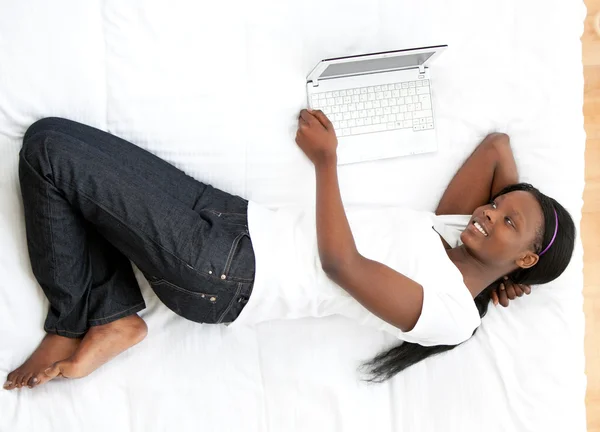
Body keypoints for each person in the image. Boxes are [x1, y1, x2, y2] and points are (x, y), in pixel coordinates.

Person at [4, 110, 575, 390]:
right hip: (232, 217)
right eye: (497, 206)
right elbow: (497, 147)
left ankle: (76, 317)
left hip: (223, 274)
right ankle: (111, 315)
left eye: (505, 222)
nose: (486, 212)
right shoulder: (453, 233)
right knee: (57, 138)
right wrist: (512, 255)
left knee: (48, 152)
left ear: (525, 257)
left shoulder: (450, 315)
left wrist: (327, 164)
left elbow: (342, 264)